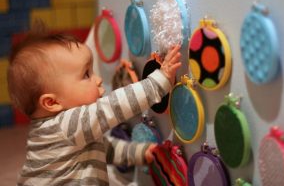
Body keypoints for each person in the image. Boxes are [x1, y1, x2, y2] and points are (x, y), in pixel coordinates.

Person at [7, 26, 181, 186]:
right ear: (52, 102)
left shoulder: (69, 131)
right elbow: (114, 106)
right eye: (86, 75)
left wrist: (139, 152)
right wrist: (158, 82)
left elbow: (105, 149)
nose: (97, 79)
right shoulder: (67, 124)